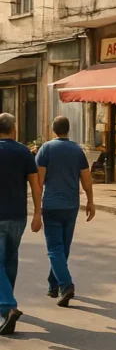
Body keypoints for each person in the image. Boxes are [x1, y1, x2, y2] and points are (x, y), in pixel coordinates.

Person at [35, 116, 94, 307]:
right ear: (68, 130)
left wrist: (37, 208)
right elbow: (86, 178)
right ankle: (54, 285)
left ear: (53, 130)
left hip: (51, 205)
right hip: (71, 205)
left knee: (54, 249)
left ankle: (66, 284)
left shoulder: (46, 149)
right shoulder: (77, 150)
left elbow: (39, 180)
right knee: (64, 247)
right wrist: (90, 201)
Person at [0, 114, 42, 334]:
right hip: (18, 216)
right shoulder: (24, 152)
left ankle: (7, 306)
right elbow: (36, 186)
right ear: (13, 129)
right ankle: (7, 305)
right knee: (10, 260)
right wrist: (37, 213)